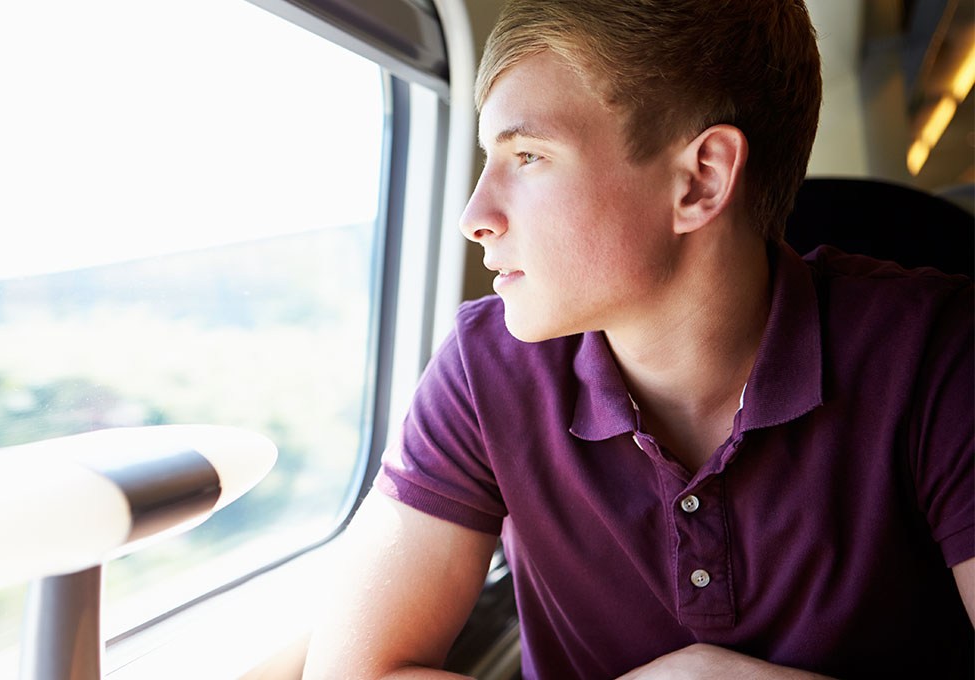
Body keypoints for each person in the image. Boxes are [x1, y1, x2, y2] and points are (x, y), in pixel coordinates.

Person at [301, 0, 975, 677]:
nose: (474, 216)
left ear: (701, 179)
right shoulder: (484, 370)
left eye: (528, 155)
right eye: (488, 159)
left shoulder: (941, 354)